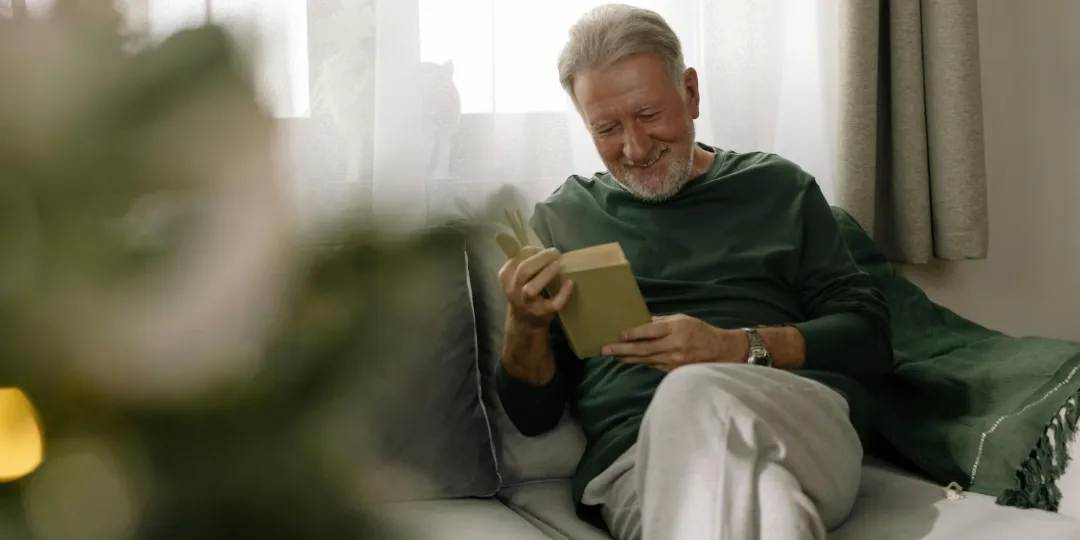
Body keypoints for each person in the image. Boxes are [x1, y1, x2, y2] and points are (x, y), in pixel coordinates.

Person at [494, 4, 893, 540]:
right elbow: (533, 416)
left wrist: (730, 348)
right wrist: (524, 324)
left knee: (692, 390)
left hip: (795, 428)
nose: (634, 148)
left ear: (691, 92)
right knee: (771, 512)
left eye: (649, 115)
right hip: (641, 463)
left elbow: (869, 339)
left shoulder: (777, 187)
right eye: (607, 128)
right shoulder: (564, 216)